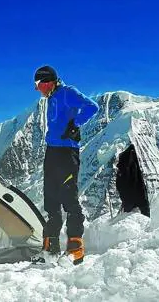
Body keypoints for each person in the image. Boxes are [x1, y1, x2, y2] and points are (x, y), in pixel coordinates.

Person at [31, 66, 99, 265]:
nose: (37, 89)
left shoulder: (68, 93)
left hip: (67, 153)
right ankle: (50, 251)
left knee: (69, 199)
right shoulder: (51, 98)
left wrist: (75, 124)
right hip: (51, 152)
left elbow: (92, 107)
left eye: (38, 84)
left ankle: (75, 250)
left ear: (49, 81)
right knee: (51, 200)